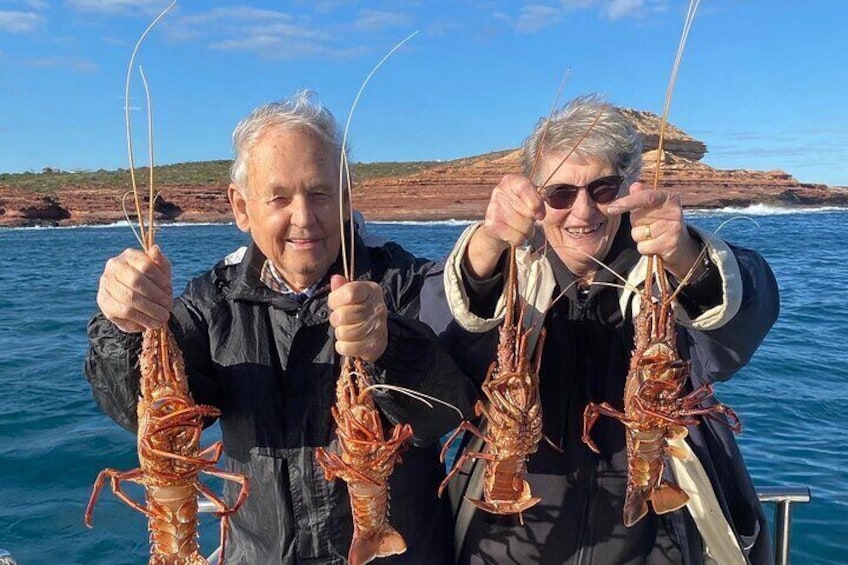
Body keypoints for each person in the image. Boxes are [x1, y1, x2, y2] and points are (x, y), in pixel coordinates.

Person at [85, 90, 476, 564]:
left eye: (319, 193)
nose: (304, 219)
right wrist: (124, 326)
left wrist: (390, 345)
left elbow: (447, 413)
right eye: (279, 198)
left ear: (346, 196)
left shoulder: (406, 281)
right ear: (242, 207)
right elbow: (141, 410)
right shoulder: (211, 301)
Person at [420, 95, 779, 564]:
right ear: (536, 200)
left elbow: (741, 323)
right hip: (505, 548)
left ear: (628, 191)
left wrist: (688, 258)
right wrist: (484, 249)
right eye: (560, 194)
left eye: (604, 190)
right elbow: (435, 337)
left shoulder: (666, 277)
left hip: (655, 548)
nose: (583, 212)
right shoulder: (509, 278)